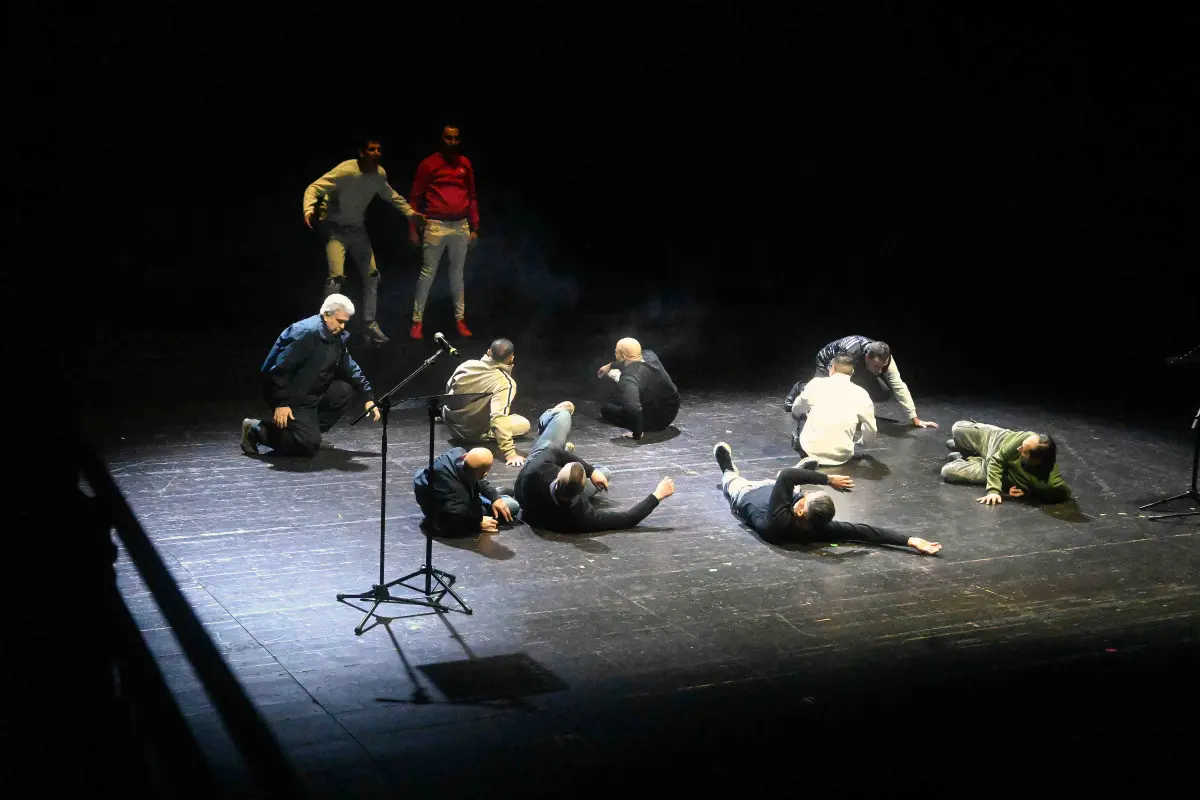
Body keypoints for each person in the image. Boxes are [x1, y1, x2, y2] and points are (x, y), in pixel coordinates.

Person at [302, 137, 427, 345]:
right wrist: (308, 209)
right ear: (362, 152)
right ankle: (323, 326)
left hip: (357, 230)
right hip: (336, 230)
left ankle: (369, 325)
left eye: (379, 149)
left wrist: (411, 214)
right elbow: (314, 187)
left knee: (372, 275)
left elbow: (392, 195)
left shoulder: (379, 175)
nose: (376, 153)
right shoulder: (347, 170)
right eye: (371, 149)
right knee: (336, 279)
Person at [712, 442, 942, 554]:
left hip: (747, 494)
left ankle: (727, 468)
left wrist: (828, 480)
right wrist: (909, 540)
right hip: (778, 490)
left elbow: (786, 476)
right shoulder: (818, 528)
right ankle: (801, 475)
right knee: (789, 485)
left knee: (731, 482)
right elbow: (862, 531)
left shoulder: (778, 524)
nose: (807, 495)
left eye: (806, 499)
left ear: (801, 511)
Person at [241, 295, 380, 457]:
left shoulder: (335, 337)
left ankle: (308, 433)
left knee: (343, 392)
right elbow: (279, 368)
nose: (342, 326)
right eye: (339, 321)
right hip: (290, 394)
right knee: (307, 444)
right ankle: (256, 429)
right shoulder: (305, 332)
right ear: (326, 315)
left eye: (345, 322)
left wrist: (368, 396)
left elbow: (350, 367)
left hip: (311, 392)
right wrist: (282, 402)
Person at [514, 402, 676, 533]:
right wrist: (658, 495)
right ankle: (558, 430)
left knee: (562, 418)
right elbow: (628, 519)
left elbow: (553, 453)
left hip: (535, 487)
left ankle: (552, 419)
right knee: (604, 473)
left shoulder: (535, 472)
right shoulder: (582, 516)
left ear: (557, 476)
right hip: (547, 501)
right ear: (583, 488)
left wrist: (592, 471)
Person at [408, 125, 480, 340]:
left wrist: (475, 227)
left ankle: (460, 319)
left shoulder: (465, 163)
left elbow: (472, 196)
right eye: (449, 138)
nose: (453, 142)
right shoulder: (429, 164)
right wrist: (413, 229)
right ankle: (416, 321)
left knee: (457, 275)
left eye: (456, 138)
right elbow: (415, 197)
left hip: (460, 225)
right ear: (442, 139)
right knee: (427, 274)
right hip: (436, 225)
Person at [784, 336, 938, 429]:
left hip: (858, 368)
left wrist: (915, 418)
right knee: (824, 393)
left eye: (882, 367)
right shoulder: (848, 354)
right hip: (828, 360)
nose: (879, 371)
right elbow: (833, 379)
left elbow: (899, 386)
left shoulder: (885, 360)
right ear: (867, 357)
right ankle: (800, 388)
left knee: (883, 392)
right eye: (876, 367)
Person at [443, 338, 543, 467]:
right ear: (511, 358)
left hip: (452, 427)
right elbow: (498, 417)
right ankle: (487, 433)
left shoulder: (466, 365)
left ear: (488, 352)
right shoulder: (504, 382)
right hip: (470, 435)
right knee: (523, 423)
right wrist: (510, 453)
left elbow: (449, 390)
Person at [942, 420, 1072, 506]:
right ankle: (968, 450)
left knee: (947, 471)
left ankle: (972, 455)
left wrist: (1027, 493)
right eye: (1022, 446)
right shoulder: (1027, 438)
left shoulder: (1051, 481)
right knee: (957, 429)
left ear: (1036, 460)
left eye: (1024, 451)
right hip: (998, 442)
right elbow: (997, 460)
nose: (1019, 449)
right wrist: (993, 491)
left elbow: (1064, 494)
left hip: (994, 470)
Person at [413, 446, 520, 537]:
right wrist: (476, 524)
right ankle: (491, 497)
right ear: (484, 474)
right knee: (513, 506)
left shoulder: (456, 453)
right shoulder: (457, 503)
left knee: (495, 496)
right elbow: (446, 526)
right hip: (448, 514)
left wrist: (495, 497)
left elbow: (476, 477)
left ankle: (493, 495)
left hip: (437, 492)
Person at [790, 355, 877, 465]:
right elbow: (871, 428)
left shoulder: (816, 383)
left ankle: (799, 442)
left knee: (802, 412)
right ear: (852, 372)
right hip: (842, 456)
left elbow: (796, 408)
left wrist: (798, 414)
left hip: (809, 451)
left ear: (833, 368)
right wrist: (860, 445)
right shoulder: (861, 393)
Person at [595, 337, 680, 439]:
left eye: (616, 352)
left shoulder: (628, 378)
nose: (615, 354)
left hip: (656, 422)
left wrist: (637, 433)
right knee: (625, 397)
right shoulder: (650, 355)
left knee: (606, 408)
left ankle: (641, 429)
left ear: (622, 356)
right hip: (672, 409)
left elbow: (634, 409)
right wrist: (611, 365)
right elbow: (632, 361)